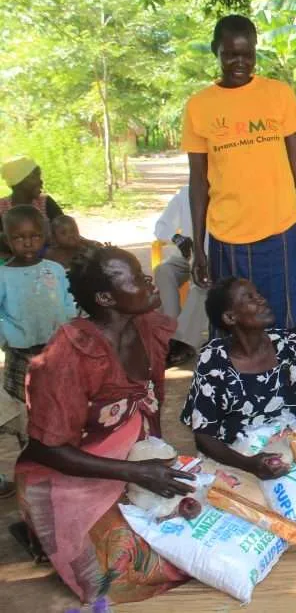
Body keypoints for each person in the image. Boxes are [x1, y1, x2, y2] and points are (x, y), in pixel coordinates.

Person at [12, 246, 194, 602]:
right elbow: (46, 448)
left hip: (133, 463)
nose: (148, 281)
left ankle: (45, 536)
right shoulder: (69, 352)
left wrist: (150, 466)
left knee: (199, 514)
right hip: (74, 475)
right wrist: (138, 475)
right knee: (127, 563)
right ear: (105, 297)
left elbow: (147, 408)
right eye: (136, 278)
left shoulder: (147, 328)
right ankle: (40, 527)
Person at [182, 14, 296, 405]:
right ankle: (238, 405)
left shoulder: (278, 95)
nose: (240, 63)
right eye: (230, 55)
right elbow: (198, 181)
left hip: (280, 230)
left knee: (290, 321)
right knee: (234, 324)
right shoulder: (199, 107)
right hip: (228, 237)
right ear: (216, 53)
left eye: (247, 55)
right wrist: (199, 245)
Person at [180, 277, 296, 479]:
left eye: (259, 295)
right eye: (250, 298)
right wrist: (249, 465)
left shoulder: (288, 345)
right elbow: (204, 436)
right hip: (237, 457)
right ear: (230, 317)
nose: (262, 300)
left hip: (288, 447)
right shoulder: (214, 360)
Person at [0, 206, 77, 408]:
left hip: (57, 346)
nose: (27, 243)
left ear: (45, 237)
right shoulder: (4, 276)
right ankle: (28, 439)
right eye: (19, 238)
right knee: (24, 401)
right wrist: (5, 336)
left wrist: (69, 325)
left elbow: (68, 299)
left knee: (58, 396)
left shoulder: (54, 270)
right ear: (8, 240)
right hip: (20, 351)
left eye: (35, 237)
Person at [152, 185, 208, 366]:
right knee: (163, 270)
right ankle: (172, 334)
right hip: (187, 256)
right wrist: (177, 238)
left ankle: (181, 342)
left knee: (201, 284)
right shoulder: (185, 193)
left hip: (214, 259)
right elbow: (161, 227)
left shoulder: (225, 193)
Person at [0, 158, 64, 255]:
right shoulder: (2, 207)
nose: (41, 181)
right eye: (36, 176)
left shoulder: (46, 202)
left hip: (50, 260)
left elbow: (66, 229)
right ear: (19, 181)